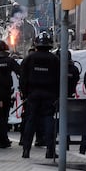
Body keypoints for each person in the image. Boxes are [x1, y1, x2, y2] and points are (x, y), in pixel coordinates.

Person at [20, 31, 61, 159]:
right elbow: (60, 79)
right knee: (49, 121)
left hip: (33, 95)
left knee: (30, 121)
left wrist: (25, 93)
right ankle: (50, 150)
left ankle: (26, 150)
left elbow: (23, 78)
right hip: (49, 95)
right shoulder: (55, 60)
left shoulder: (29, 59)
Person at [0, 38, 21, 148]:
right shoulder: (9, 60)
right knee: (4, 116)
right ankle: (3, 138)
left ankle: (0, 138)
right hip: (6, 91)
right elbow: (20, 71)